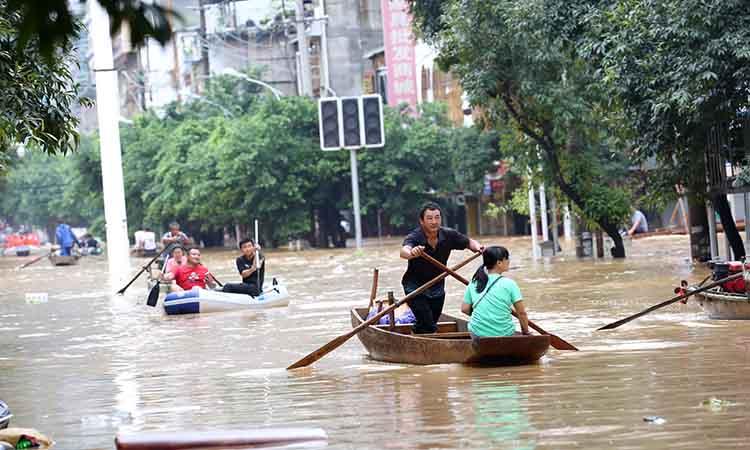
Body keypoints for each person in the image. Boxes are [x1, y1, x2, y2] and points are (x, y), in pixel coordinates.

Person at [400, 202, 483, 334]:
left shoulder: (449, 235)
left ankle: (416, 336)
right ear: (421, 221)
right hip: (415, 287)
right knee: (428, 324)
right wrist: (412, 253)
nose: (434, 221)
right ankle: (423, 343)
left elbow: (469, 242)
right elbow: (404, 251)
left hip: (437, 285)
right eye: (430, 218)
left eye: (437, 217)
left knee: (431, 322)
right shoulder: (415, 236)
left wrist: (478, 247)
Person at [461, 246, 529, 340]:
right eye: (507, 258)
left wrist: (485, 317)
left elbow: (464, 309)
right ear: (499, 263)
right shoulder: (510, 284)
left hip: (477, 333)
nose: (509, 261)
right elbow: (521, 313)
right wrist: (526, 332)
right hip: (504, 334)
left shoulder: (474, 282)